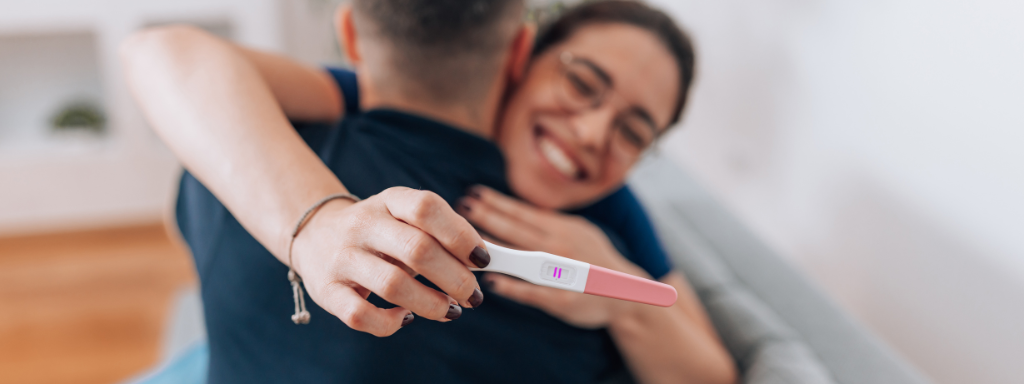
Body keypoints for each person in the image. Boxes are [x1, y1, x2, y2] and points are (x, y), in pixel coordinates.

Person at [122, 1, 735, 383]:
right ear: (519, 57)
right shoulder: (355, 98)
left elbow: (709, 366)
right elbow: (165, 54)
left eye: (634, 131)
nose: (594, 133)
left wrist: (617, 288)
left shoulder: (609, 209)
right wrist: (317, 224)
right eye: (582, 83)